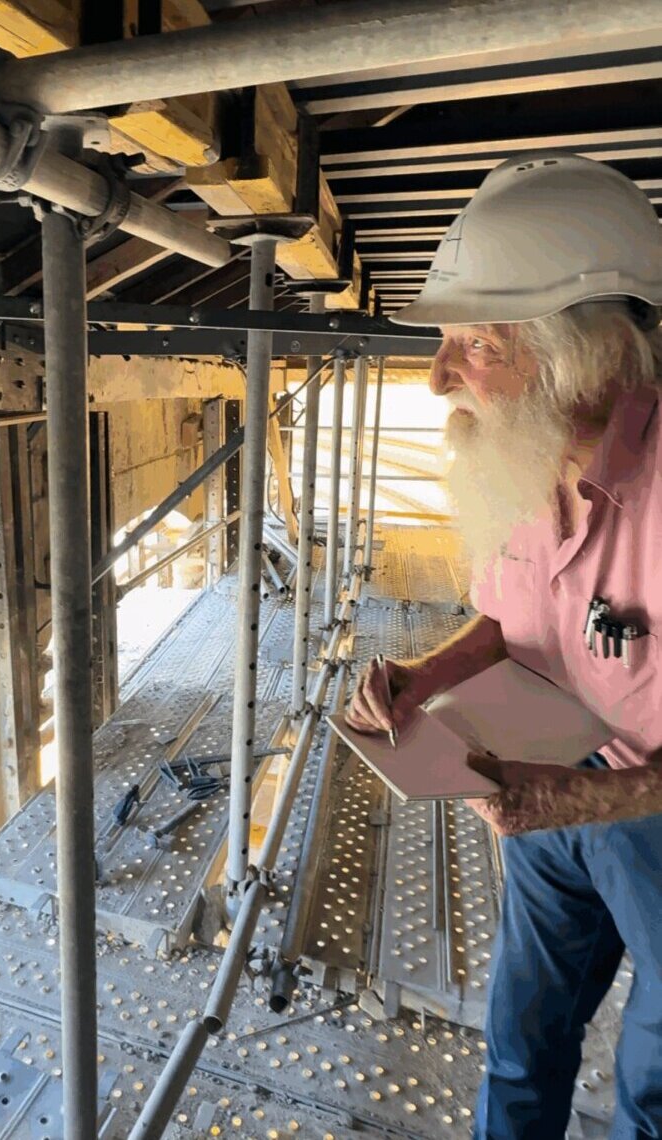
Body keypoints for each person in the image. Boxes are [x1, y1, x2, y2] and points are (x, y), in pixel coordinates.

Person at [344, 152, 662, 1140]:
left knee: (653, 1090)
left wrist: (603, 797)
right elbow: (509, 618)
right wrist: (419, 676)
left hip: (648, 816)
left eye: (472, 344)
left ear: (588, 358)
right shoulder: (528, 454)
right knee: (521, 1040)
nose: (440, 379)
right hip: (554, 786)